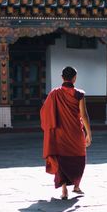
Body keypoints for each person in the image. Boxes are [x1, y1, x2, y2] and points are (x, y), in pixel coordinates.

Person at [40, 66, 92, 200]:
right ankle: (76, 186)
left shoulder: (54, 93)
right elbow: (84, 115)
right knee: (79, 158)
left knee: (61, 160)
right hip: (75, 132)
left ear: (62, 77)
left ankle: (64, 191)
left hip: (60, 133)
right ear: (74, 78)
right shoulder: (79, 94)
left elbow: (44, 111)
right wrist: (89, 133)